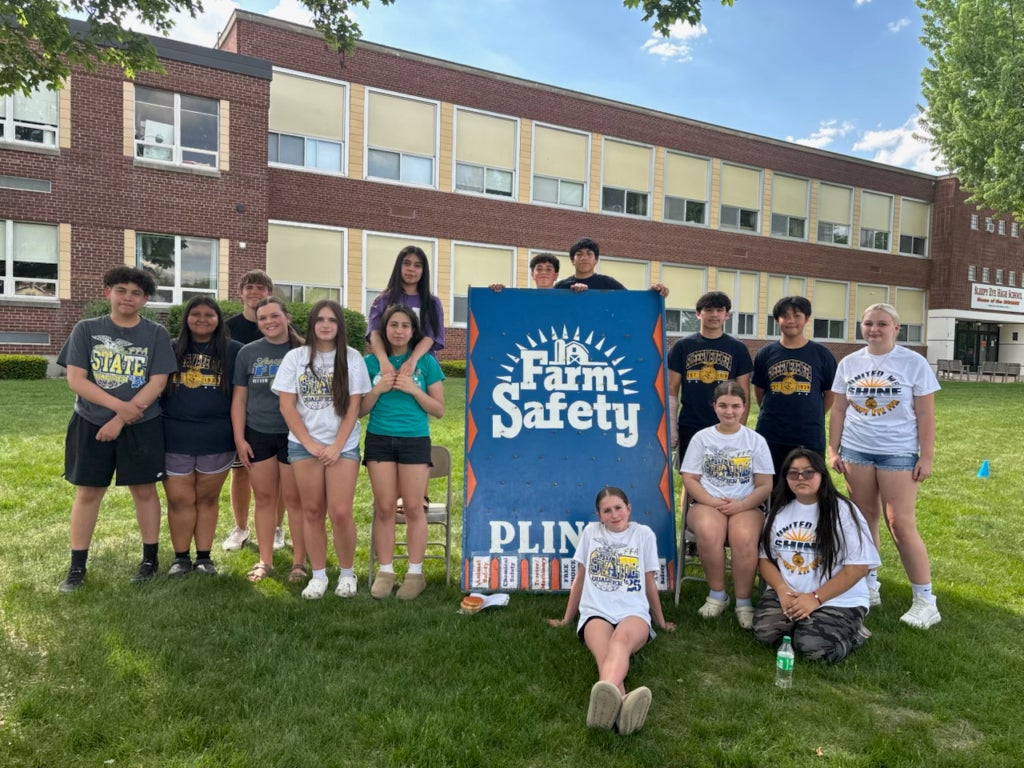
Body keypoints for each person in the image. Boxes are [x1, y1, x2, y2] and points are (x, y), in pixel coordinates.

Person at [56, 266, 177, 591]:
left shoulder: (155, 334)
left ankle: (149, 561)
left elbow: (158, 381)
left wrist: (122, 418)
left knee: (144, 491)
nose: (128, 297)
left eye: (136, 293)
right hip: (91, 423)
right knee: (89, 492)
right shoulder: (86, 329)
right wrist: (118, 409)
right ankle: (77, 567)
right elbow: (76, 379)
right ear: (108, 291)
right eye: (121, 290)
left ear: (145, 299)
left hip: (142, 425)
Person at [828, 303, 941, 629]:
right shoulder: (849, 363)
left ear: (896, 328)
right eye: (868, 324)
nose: (874, 329)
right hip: (856, 453)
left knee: (899, 524)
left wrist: (926, 457)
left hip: (898, 454)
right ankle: (868, 583)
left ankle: (925, 600)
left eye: (881, 324)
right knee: (863, 520)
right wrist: (833, 449)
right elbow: (838, 410)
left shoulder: (913, 363)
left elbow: (925, 415)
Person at [548, 486, 675, 735]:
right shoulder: (591, 533)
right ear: (599, 515)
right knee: (603, 653)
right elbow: (580, 578)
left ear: (629, 509)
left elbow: (650, 582)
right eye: (607, 511)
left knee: (620, 643)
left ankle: (602, 711)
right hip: (596, 611)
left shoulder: (643, 534)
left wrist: (660, 621)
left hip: (633, 612)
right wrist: (567, 619)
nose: (614, 514)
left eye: (618, 508)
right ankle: (624, 709)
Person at [275, 301, 371, 599]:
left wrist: (337, 446)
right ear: (312, 324)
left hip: (343, 447)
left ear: (340, 325)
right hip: (305, 447)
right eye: (320, 319)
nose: (326, 325)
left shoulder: (353, 358)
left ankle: (346, 573)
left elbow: (355, 407)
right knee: (312, 511)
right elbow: (287, 405)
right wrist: (311, 444)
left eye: (332, 320)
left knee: (340, 512)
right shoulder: (295, 358)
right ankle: (317, 575)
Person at [754, 449, 880, 662]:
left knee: (813, 648)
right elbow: (765, 559)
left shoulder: (843, 511)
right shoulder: (779, 511)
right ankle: (804, 625)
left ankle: (856, 634)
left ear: (822, 474)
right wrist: (782, 590)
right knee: (765, 633)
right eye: (793, 474)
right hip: (789, 595)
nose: (800, 478)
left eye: (808, 472)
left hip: (837, 599)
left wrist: (815, 598)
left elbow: (858, 567)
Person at [361, 304, 445, 600]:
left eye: (405, 326)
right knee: (384, 508)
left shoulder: (427, 364)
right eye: (393, 325)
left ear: (413, 331)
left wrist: (413, 389)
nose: (399, 331)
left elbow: (438, 410)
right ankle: (385, 571)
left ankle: (415, 573)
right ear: (385, 330)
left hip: (414, 440)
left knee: (412, 508)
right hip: (379, 440)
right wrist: (377, 390)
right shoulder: (370, 363)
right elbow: (359, 410)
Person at [680, 380, 773, 628]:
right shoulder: (702, 438)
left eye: (735, 406)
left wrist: (741, 506)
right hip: (706, 503)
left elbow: (765, 485)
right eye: (723, 406)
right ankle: (717, 595)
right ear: (714, 406)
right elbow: (689, 477)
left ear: (744, 407)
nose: (729, 411)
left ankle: (743, 602)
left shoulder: (755, 441)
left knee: (744, 538)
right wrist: (710, 500)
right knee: (710, 533)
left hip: (746, 504)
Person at [161, 297, 242, 576]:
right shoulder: (169, 348)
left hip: (217, 437)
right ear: (186, 318)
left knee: (207, 499)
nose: (202, 319)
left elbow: (242, 397)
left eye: (209, 314)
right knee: (179, 500)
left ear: (219, 319)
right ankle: (181, 558)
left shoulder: (234, 351)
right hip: (174, 437)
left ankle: (204, 558)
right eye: (195, 314)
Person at [231, 297, 306, 584]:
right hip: (258, 433)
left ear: (286, 317)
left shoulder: (303, 350)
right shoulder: (248, 353)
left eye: (274, 316)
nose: (268, 322)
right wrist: (240, 437)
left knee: (294, 499)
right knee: (263, 499)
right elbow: (240, 398)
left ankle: (299, 562)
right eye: (262, 318)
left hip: (295, 436)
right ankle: (266, 560)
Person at [222, 269, 287, 553]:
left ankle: (276, 528)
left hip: (281, 419)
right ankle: (241, 527)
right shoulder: (228, 328)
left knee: (283, 476)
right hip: (241, 411)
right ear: (241, 293)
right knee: (241, 471)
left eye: (260, 287)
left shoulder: (287, 335)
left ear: (269, 293)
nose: (254, 292)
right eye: (249, 287)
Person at [752, 296, 838, 475]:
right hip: (771, 433)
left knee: (807, 482)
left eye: (797, 315)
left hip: (808, 434)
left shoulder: (822, 354)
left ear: (806, 319)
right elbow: (759, 392)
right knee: (770, 485)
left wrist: (813, 413)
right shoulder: (765, 353)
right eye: (785, 316)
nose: (791, 321)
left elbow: (830, 393)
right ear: (777, 320)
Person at [668, 291, 753, 459]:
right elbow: (671, 389)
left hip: (726, 422)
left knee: (724, 474)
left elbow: (744, 392)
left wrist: (739, 427)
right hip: (691, 423)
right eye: (709, 309)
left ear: (726, 315)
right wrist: (671, 426)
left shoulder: (738, 348)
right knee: (689, 475)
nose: (714, 314)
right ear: (698, 314)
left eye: (720, 310)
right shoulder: (682, 346)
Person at [367, 246, 445, 378]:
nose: (411, 269)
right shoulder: (382, 300)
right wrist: (384, 361)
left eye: (417, 265)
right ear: (399, 266)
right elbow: (374, 333)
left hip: (422, 367)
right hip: (388, 366)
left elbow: (430, 337)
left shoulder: (432, 303)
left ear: (423, 271)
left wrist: (411, 361)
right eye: (406, 263)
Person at [553, 237, 669, 295]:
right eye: (579, 254)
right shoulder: (561, 286)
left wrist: (652, 293)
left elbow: (632, 302)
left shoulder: (608, 283)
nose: (584, 258)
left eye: (589, 254)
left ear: (596, 260)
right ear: (572, 260)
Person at [489, 252, 562, 291]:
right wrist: (497, 294)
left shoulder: (566, 299)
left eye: (548, 269)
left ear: (556, 276)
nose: (543, 272)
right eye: (539, 269)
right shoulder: (521, 299)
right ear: (532, 275)